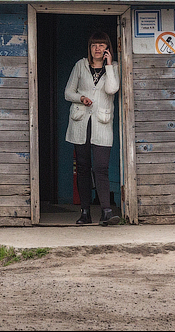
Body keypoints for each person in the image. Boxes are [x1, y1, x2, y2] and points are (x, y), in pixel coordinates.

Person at [64, 31, 121, 226]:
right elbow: (68, 92)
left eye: (101, 45)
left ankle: (106, 211)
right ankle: (85, 212)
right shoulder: (80, 66)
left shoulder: (113, 68)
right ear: (90, 48)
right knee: (82, 168)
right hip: (80, 122)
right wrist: (81, 98)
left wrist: (109, 66)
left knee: (101, 168)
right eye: (94, 45)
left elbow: (112, 89)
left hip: (102, 123)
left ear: (107, 48)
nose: (97, 48)